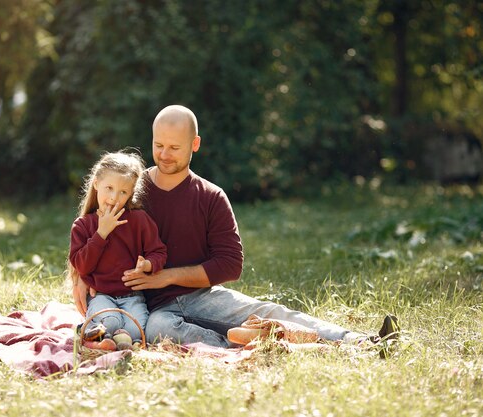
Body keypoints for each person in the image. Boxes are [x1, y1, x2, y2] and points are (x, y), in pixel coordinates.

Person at [73, 105, 396, 348]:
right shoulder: (132, 189)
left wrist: (166, 276)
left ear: (195, 144)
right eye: (159, 145)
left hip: (200, 294)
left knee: (269, 309)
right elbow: (90, 222)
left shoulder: (211, 196)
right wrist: (78, 279)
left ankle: (363, 342)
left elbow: (230, 264)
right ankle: (248, 344)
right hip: (149, 307)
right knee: (159, 330)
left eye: (175, 147)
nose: (164, 155)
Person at [69, 151, 167, 349]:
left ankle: (111, 340)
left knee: (137, 329)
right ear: (96, 184)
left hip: (133, 297)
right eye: (109, 188)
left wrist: (147, 264)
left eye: (123, 192)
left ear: (131, 193)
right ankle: (97, 338)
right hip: (101, 296)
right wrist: (101, 233)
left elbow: (159, 252)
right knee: (111, 322)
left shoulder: (139, 220)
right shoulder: (84, 225)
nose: (114, 197)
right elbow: (82, 266)